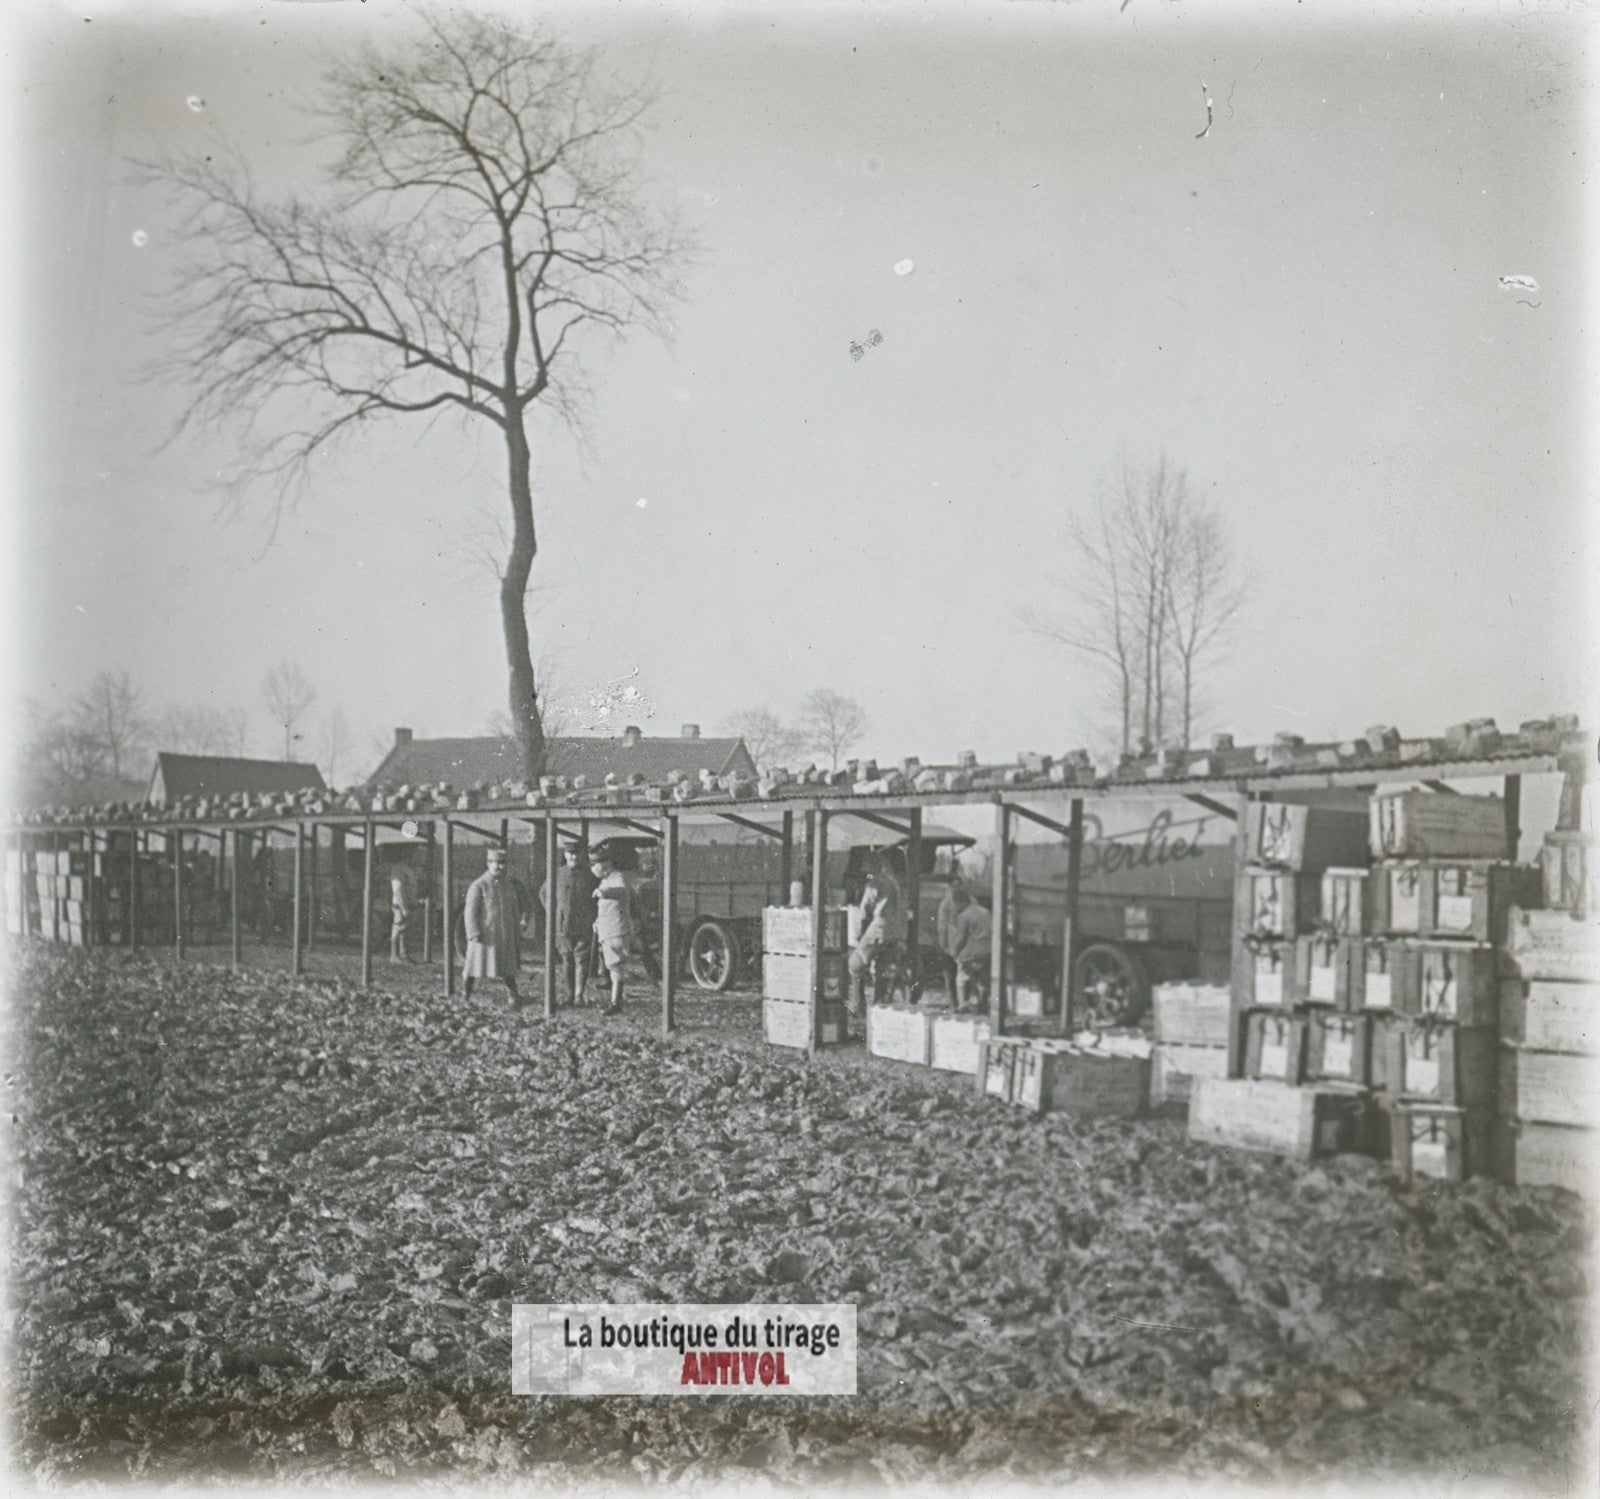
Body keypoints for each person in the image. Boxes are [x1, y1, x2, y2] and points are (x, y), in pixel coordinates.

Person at [462, 848, 527, 1007]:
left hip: (504, 935)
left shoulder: (508, 885)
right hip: (485, 935)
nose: (499, 867)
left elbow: (514, 908)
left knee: (508, 966)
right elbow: (470, 912)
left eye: (502, 863)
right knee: (473, 966)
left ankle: (512, 995)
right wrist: (473, 932)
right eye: (495, 863)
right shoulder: (479, 885)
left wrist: (517, 927)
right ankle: (465, 994)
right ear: (488, 863)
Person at [848, 852, 903, 1019]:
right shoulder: (892, 881)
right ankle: (879, 1007)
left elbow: (865, 910)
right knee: (882, 969)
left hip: (879, 927)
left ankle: (857, 1006)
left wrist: (859, 934)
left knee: (855, 964)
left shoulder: (874, 883)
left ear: (872, 866)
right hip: (894, 930)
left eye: (866, 866)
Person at [542, 841, 598, 1006]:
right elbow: (543, 893)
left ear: (581, 855)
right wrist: (554, 911)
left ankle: (579, 996)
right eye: (570, 853)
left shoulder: (590, 875)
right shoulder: (557, 874)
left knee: (582, 960)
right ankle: (569, 994)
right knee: (567, 959)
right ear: (565, 855)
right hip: (563, 925)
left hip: (584, 925)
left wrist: (593, 916)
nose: (573, 857)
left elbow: (597, 899)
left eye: (576, 853)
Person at [936, 880, 991, 1012]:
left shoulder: (949, 904)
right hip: (984, 950)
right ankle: (981, 1005)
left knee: (957, 978)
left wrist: (947, 947)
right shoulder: (978, 905)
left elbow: (944, 928)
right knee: (980, 980)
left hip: (960, 948)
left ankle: (959, 1005)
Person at [591, 848, 634, 1016]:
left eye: (594, 865)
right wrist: (597, 921)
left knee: (616, 966)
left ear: (604, 865)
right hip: (608, 929)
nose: (592, 869)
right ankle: (616, 1000)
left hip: (617, 930)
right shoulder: (606, 880)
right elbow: (607, 908)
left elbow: (622, 891)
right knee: (613, 966)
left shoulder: (617, 877)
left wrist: (604, 892)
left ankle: (616, 1003)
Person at [389, 851, 418, 964]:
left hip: (409, 904)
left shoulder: (407, 868)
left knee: (405, 930)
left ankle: (404, 955)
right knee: (398, 928)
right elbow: (398, 890)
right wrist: (404, 908)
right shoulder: (399, 869)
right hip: (401, 905)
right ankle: (394, 955)